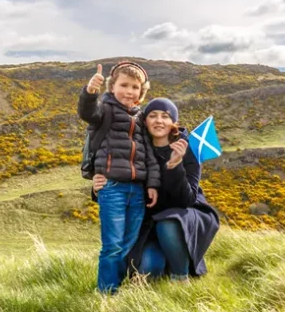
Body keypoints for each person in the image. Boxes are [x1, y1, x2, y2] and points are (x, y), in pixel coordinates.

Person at [93, 97, 220, 282]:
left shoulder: (188, 149)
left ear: (173, 123)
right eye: (153, 115)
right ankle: (167, 259)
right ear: (145, 121)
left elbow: (187, 199)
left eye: (165, 116)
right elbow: (123, 187)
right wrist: (98, 188)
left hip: (184, 215)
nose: (159, 120)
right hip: (149, 222)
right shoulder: (135, 150)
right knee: (148, 269)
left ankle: (180, 277)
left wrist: (175, 166)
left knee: (168, 223)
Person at [78, 61, 161, 293]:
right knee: (112, 245)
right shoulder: (104, 109)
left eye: (135, 87)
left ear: (141, 92)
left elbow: (150, 157)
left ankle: (119, 285)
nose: (129, 91)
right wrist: (89, 91)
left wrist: (152, 184)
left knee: (128, 244)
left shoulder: (141, 118)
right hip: (112, 188)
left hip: (137, 190)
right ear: (112, 87)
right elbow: (87, 112)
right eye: (124, 85)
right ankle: (106, 293)